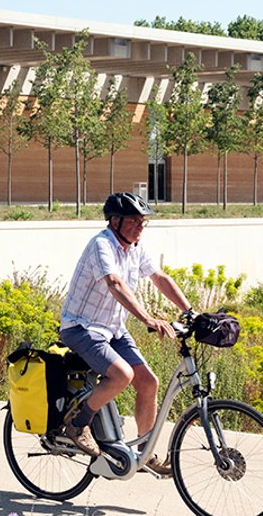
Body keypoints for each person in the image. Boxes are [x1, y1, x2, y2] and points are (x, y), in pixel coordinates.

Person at [55, 191, 192, 476]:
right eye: (134, 221)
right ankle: (78, 424)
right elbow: (115, 284)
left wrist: (191, 311)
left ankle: (145, 454)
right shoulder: (101, 245)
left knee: (148, 382)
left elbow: (160, 278)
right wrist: (148, 318)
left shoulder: (135, 247)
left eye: (143, 222)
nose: (140, 226)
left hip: (113, 329)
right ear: (115, 221)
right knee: (122, 375)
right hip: (81, 327)